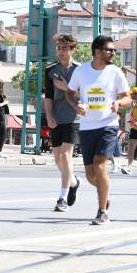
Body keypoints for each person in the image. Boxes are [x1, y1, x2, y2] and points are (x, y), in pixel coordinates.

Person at [64, 35, 130, 225]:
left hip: (108, 124)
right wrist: (77, 106)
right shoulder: (81, 71)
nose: (113, 53)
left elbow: (127, 97)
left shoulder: (116, 72)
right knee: (91, 175)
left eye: (114, 50)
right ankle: (104, 193)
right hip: (87, 126)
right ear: (97, 51)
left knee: (100, 164)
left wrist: (118, 103)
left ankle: (102, 212)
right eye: (110, 49)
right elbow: (69, 93)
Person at [43, 33, 81, 212]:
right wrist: (49, 116)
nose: (61, 51)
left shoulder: (80, 70)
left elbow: (85, 95)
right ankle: (73, 181)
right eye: (59, 48)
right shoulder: (50, 70)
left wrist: (67, 88)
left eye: (64, 48)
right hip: (56, 117)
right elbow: (48, 96)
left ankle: (62, 198)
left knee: (66, 156)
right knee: (57, 158)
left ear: (72, 49)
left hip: (74, 117)